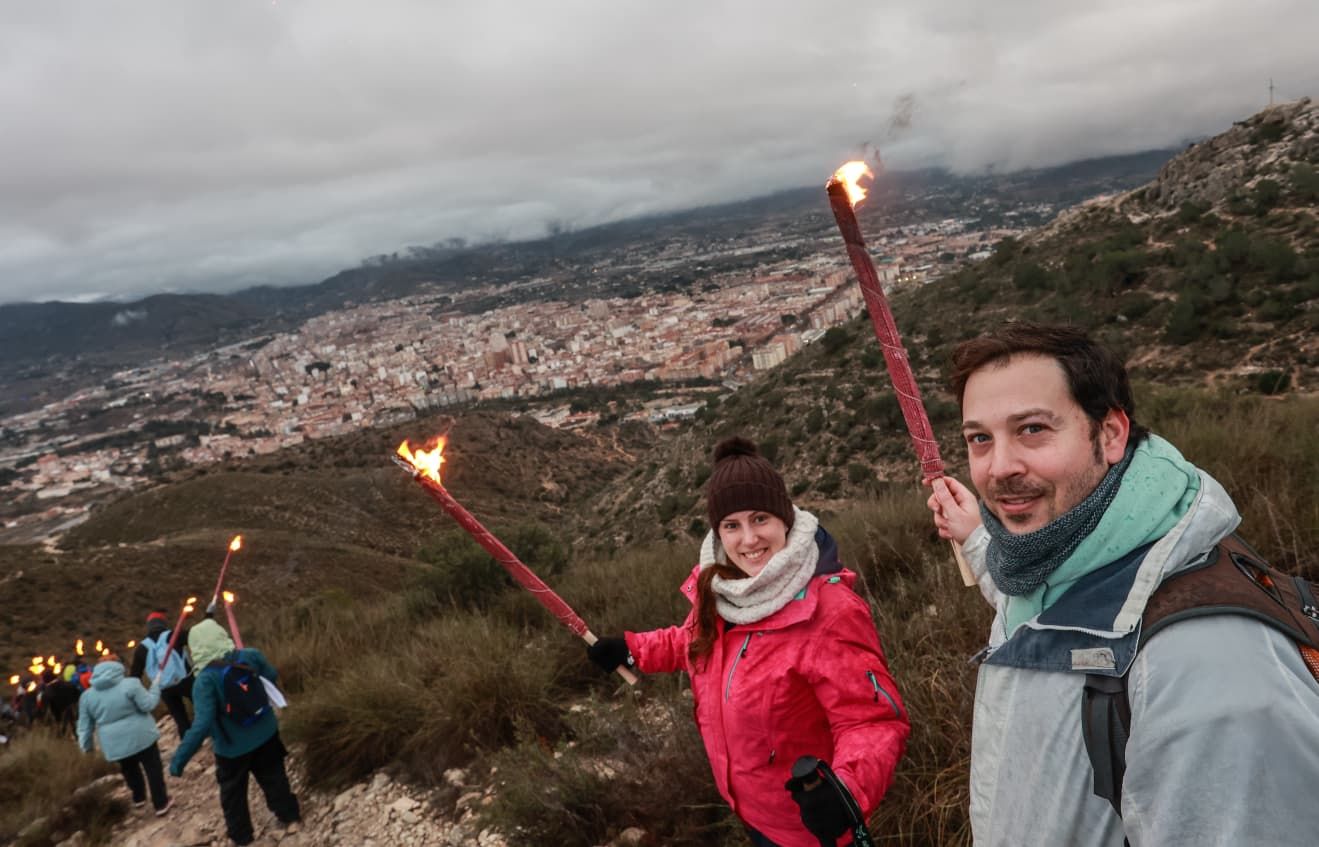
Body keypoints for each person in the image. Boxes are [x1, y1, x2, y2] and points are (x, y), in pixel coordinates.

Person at [925, 322, 1319, 846]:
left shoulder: (1206, 672)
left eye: (1032, 429)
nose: (998, 468)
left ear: (1109, 434)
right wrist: (978, 539)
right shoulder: (1086, 552)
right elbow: (1043, 608)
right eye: (980, 438)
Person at [587, 437, 909, 847]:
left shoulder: (828, 611)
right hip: (753, 812)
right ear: (718, 533)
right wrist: (631, 650)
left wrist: (846, 789)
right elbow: (695, 643)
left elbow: (872, 720)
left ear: (785, 520)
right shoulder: (722, 590)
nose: (749, 540)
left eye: (760, 519)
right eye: (732, 526)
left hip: (812, 830)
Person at [170, 618, 300, 846]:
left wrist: (179, 760)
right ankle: (290, 816)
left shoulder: (204, 681)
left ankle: (242, 837)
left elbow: (202, 724)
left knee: (233, 795)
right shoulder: (250, 655)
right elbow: (270, 675)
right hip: (267, 732)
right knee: (274, 777)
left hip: (231, 749)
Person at [76, 653, 174, 816]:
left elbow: (84, 727)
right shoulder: (131, 684)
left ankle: (138, 798)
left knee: (129, 769)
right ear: (118, 666)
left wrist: (86, 748)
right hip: (142, 735)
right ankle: (161, 803)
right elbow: (148, 705)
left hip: (115, 743)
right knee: (153, 768)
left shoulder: (86, 697)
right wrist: (155, 687)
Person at [130, 609, 194, 737]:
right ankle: (210, 732)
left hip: (163, 688)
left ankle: (189, 743)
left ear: (149, 627)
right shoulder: (173, 635)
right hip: (185, 681)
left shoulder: (142, 648)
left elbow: (134, 676)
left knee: (180, 717)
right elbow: (196, 638)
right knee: (202, 707)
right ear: (164, 623)